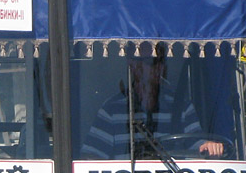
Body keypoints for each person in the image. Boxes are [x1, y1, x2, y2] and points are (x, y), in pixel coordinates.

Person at [81, 46, 225, 160]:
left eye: (158, 62)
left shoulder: (182, 107)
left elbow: (199, 147)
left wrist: (209, 147)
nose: (155, 68)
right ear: (131, 65)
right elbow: (91, 158)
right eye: (147, 62)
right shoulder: (111, 110)